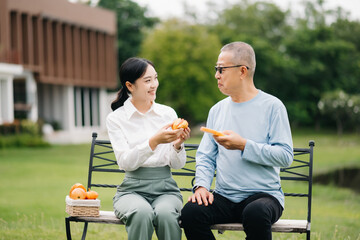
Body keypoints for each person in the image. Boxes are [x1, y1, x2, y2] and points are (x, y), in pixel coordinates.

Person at [180, 42, 293, 240]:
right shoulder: (217, 110)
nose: (216, 75)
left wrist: (243, 145)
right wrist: (202, 187)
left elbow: (285, 156)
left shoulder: (273, 107)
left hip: (263, 196)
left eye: (221, 69)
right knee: (191, 213)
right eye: (216, 69)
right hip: (224, 196)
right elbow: (206, 157)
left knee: (255, 213)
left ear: (242, 71)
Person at [106, 57, 191, 240]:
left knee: (167, 214)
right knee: (141, 213)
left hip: (166, 189)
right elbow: (125, 162)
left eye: (155, 78)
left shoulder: (167, 114)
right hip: (131, 190)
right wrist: (153, 142)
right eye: (147, 81)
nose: (154, 85)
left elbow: (178, 165)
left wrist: (177, 145)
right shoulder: (116, 119)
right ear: (130, 85)